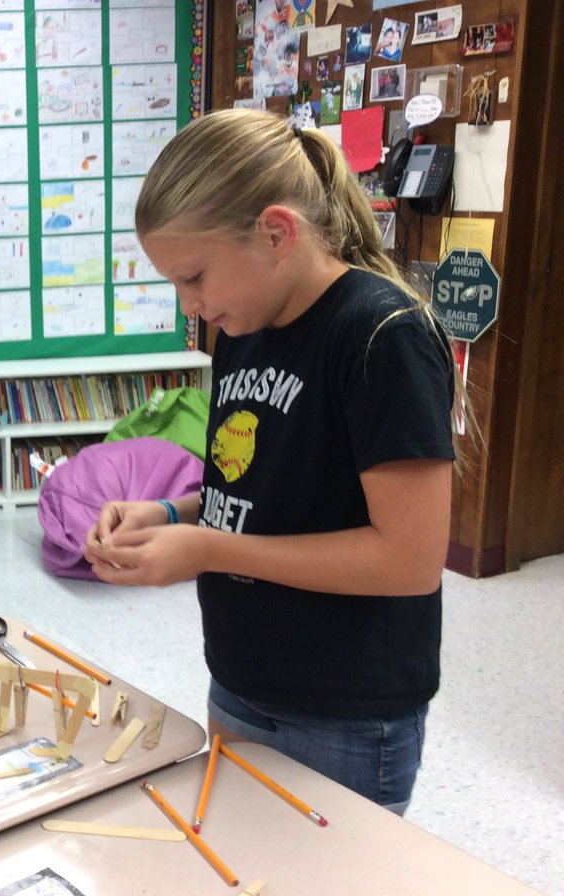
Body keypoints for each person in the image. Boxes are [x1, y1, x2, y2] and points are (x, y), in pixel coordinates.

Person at [84, 109, 456, 815]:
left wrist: (207, 550)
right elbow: (258, 487)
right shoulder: (246, 324)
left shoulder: (383, 336)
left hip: (347, 704)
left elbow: (408, 559)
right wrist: (169, 514)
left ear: (277, 234)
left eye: (194, 277)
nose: (190, 305)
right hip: (244, 673)